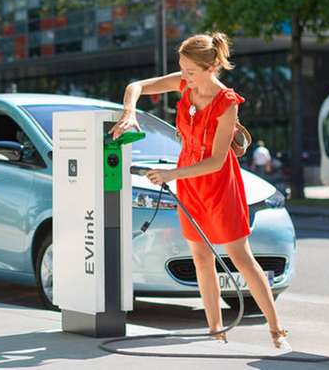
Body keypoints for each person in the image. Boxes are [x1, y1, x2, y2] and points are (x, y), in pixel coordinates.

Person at [109, 32, 289, 349]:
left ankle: (276, 331)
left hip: (218, 185)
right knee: (201, 258)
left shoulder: (226, 104)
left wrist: (170, 174)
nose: (185, 78)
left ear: (210, 67)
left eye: (190, 72)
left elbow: (217, 161)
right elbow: (135, 87)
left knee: (241, 258)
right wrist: (129, 114)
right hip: (189, 184)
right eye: (183, 70)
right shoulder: (185, 84)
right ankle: (215, 331)